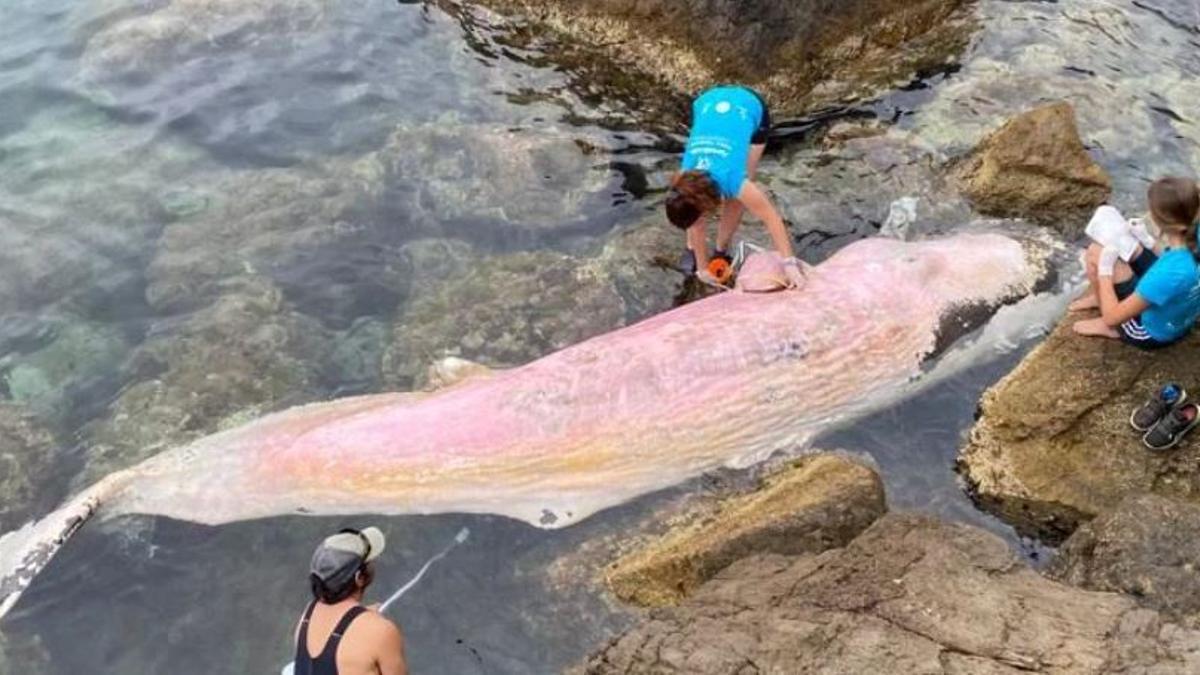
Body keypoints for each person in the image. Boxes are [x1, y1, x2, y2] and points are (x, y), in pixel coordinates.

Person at [665, 84, 805, 288]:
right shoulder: (683, 176)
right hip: (708, 102)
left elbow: (771, 217)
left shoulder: (734, 180)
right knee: (694, 220)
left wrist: (789, 263)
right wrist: (702, 269)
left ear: (705, 206)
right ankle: (692, 249)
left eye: (699, 218)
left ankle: (721, 249)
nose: (697, 225)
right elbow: (695, 224)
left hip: (749, 105)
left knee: (737, 198)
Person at [1072, 176, 1200, 349]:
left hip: (1151, 330)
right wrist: (1149, 242)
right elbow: (1182, 268)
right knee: (1133, 248)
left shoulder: (1169, 272)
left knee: (1095, 253)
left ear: (1158, 218)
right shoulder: (1193, 238)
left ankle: (1109, 325)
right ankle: (1102, 296)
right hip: (1177, 310)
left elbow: (1113, 317)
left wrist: (1105, 273)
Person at [293, 526, 407, 675]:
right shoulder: (381, 631)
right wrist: (370, 622)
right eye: (369, 562)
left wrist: (362, 617)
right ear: (359, 578)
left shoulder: (306, 618)